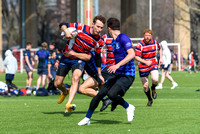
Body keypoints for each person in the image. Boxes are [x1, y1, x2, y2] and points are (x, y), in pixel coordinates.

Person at [78, 17, 136, 126]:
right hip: (117, 74)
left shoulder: (123, 37)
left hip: (128, 75)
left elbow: (132, 54)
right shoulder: (114, 41)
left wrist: (117, 65)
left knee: (111, 94)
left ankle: (129, 107)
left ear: (109, 28)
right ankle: (87, 118)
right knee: (99, 95)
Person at [54, 15, 106, 113]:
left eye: (101, 28)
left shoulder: (99, 41)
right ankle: (65, 91)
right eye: (98, 26)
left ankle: (68, 105)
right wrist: (66, 31)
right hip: (66, 57)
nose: (99, 29)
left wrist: (99, 74)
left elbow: (98, 58)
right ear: (93, 24)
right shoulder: (81, 27)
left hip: (78, 59)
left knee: (76, 78)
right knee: (57, 83)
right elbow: (63, 24)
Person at [78, 34, 115, 111]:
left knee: (81, 88)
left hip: (101, 72)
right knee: (106, 92)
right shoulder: (81, 49)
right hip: (97, 73)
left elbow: (87, 57)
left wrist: (71, 54)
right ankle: (111, 101)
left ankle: (105, 99)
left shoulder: (85, 51)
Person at [135, 29, 163, 107]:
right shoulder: (140, 44)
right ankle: (150, 99)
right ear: (144, 36)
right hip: (143, 66)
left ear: (151, 36)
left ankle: (153, 88)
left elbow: (160, 48)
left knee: (155, 79)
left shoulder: (155, 43)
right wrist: (145, 62)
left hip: (153, 63)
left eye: (148, 35)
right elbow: (136, 57)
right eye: (146, 35)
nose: (147, 37)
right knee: (145, 86)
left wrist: (161, 58)